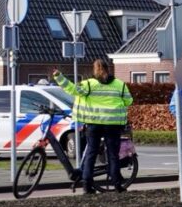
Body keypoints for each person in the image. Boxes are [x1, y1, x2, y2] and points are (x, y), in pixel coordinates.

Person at [54, 58, 133, 195]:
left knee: (91, 152)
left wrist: (59, 77)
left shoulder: (88, 85)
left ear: (94, 70)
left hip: (94, 124)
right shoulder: (120, 85)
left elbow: (72, 89)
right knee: (113, 155)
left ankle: (87, 185)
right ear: (109, 69)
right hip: (113, 125)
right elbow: (129, 101)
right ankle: (118, 185)